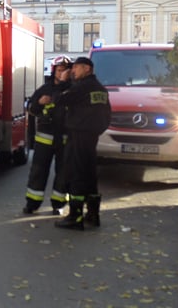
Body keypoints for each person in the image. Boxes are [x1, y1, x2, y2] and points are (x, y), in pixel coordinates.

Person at [54, 56, 111, 230]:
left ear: (87, 69)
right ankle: (93, 214)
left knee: (76, 174)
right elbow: (107, 115)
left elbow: (60, 100)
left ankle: (75, 216)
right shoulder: (100, 89)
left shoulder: (81, 88)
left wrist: (62, 83)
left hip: (78, 135)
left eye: (77, 68)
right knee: (90, 175)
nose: (72, 71)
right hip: (91, 136)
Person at [22, 55, 72, 215]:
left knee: (64, 173)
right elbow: (29, 107)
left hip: (65, 138)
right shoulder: (44, 89)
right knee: (38, 170)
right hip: (45, 138)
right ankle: (32, 203)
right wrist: (38, 103)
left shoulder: (73, 89)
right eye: (59, 70)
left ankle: (58, 204)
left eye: (65, 70)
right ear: (53, 71)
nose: (62, 73)